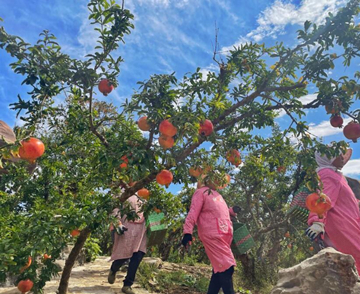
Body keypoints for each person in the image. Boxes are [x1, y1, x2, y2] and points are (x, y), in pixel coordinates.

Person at [182, 176, 241, 294]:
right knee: (227, 268)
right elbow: (193, 212)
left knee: (219, 270)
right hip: (212, 235)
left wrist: (232, 211)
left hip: (224, 236)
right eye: (216, 178)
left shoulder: (218, 195)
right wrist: (187, 232)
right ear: (207, 180)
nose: (218, 181)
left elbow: (219, 211)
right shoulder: (200, 193)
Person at [305, 147, 360, 273]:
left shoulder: (337, 175)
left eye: (341, 154)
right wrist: (317, 221)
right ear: (327, 158)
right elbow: (323, 198)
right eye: (336, 155)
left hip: (350, 222)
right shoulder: (326, 174)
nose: (341, 157)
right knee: (355, 255)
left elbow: (346, 200)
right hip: (341, 224)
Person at [108, 194, 147, 294]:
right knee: (124, 256)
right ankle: (114, 268)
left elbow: (149, 210)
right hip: (127, 228)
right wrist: (118, 223)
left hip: (141, 230)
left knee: (138, 256)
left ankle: (127, 284)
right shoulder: (121, 193)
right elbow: (115, 210)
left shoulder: (143, 194)